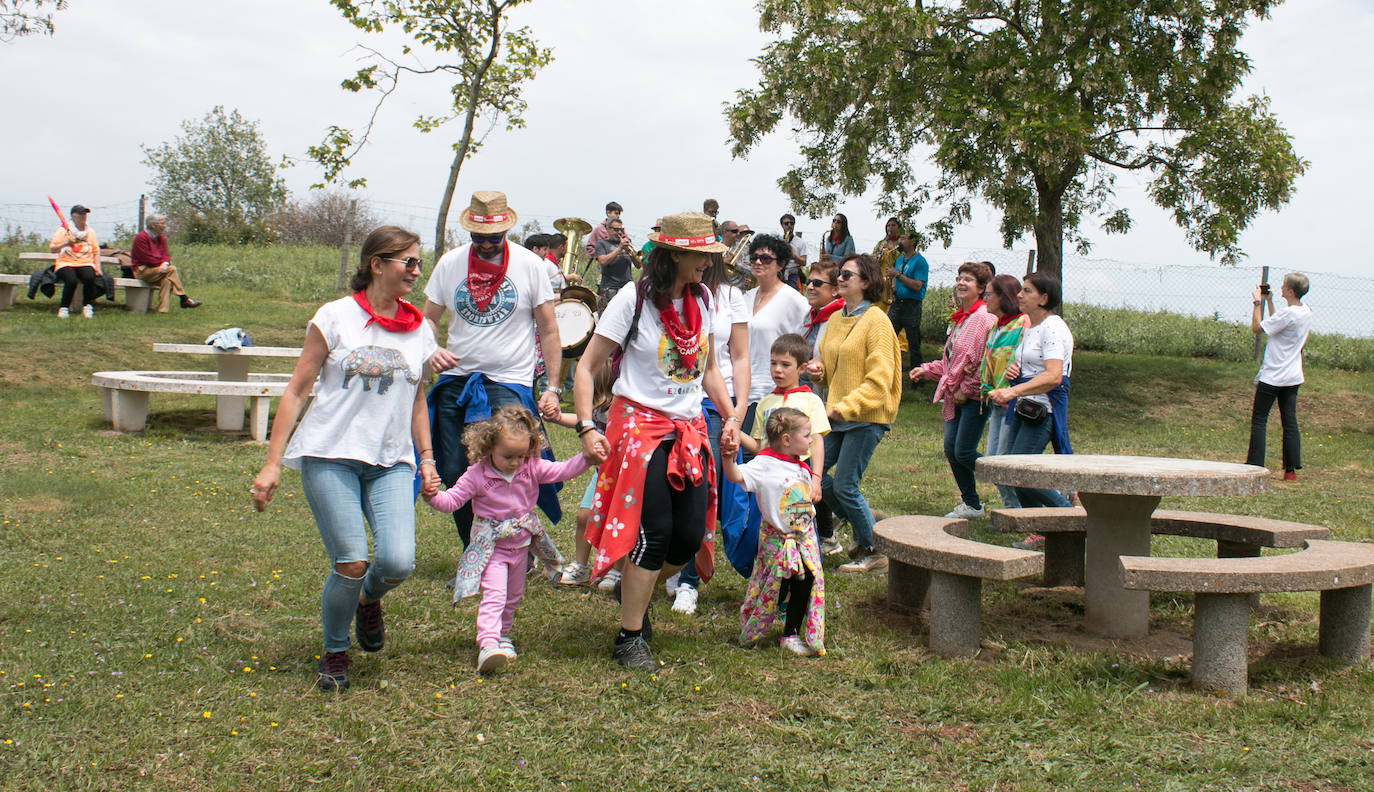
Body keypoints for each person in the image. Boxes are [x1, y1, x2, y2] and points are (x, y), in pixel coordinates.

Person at [250, 226, 438, 693]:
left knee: (397, 562)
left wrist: (427, 458)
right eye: (408, 262)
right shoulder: (335, 317)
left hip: (392, 459)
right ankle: (335, 651)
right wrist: (272, 463)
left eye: (418, 261)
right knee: (351, 562)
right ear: (377, 264)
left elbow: (417, 401)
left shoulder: (421, 328)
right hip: (329, 453)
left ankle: (367, 601)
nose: (416, 270)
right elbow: (296, 390)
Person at [573, 211, 738, 672]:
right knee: (656, 532)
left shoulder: (703, 299)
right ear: (674, 255)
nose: (708, 263)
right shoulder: (633, 298)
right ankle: (630, 636)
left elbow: (705, 370)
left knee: (686, 541)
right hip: (638, 429)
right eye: (701, 255)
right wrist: (587, 425)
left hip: (689, 429)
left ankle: (633, 596)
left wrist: (730, 415)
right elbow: (586, 368)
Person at [422, 191, 562, 549]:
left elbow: (548, 328)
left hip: (508, 381)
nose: (485, 244)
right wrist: (431, 349)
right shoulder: (450, 263)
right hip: (456, 379)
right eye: (478, 237)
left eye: (493, 238)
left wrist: (552, 387)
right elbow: (426, 321)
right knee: (455, 472)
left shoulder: (530, 264)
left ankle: (513, 548)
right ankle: (475, 551)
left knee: (510, 470)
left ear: (506, 230)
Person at [424, 407, 592, 673]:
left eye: (521, 456)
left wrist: (587, 458)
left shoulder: (530, 467)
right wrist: (432, 495)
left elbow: (563, 470)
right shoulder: (478, 474)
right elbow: (452, 500)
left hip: (521, 548)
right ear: (489, 446)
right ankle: (488, 644)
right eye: (508, 456)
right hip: (491, 549)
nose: (515, 462)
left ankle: (503, 635)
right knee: (495, 594)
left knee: (513, 596)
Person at [803, 253, 902, 573]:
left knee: (844, 484)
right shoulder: (836, 319)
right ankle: (865, 523)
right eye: (840, 274)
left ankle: (875, 552)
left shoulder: (877, 321)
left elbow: (880, 380)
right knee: (812, 473)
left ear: (866, 282)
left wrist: (846, 406)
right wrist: (820, 373)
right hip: (837, 415)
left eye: (848, 274)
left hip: (865, 415)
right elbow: (833, 369)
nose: (840, 279)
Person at [667, 250, 752, 614]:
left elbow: (739, 356)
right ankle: (665, 561)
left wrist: (737, 410)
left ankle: (688, 579)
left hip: (716, 403)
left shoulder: (729, 296)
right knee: (669, 484)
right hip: (671, 401)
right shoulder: (659, 292)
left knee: (701, 489)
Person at [722, 407, 826, 657]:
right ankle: (756, 624)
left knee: (806, 580)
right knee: (775, 585)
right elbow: (736, 475)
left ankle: (790, 633)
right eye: (806, 435)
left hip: (803, 538)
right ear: (787, 439)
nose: (811, 440)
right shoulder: (764, 464)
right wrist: (728, 457)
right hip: (777, 541)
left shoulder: (801, 467)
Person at [987, 272, 1075, 523]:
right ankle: (1038, 526)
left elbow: (1053, 376)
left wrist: (1013, 390)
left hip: (1043, 410)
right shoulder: (1031, 327)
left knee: (1021, 473)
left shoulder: (1053, 328)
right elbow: (1030, 367)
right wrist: (1016, 372)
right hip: (1024, 407)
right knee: (1012, 471)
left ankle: (1070, 517)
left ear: (1044, 298)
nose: (1019, 295)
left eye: (1027, 291)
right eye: (1021, 290)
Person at [911, 262, 996, 520]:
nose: (961, 282)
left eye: (968, 279)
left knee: (964, 452)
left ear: (981, 288)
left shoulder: (984, 319)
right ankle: (972, 504)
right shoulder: (963, 318)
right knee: (952, 449)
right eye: (960, 278)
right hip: (955, 396)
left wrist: (966, 388)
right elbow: (953, 362)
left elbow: (985, 360)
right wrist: (926, 369)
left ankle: (1010, 477)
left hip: (974, 398)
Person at [1246, 272, 1312, 480]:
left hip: (1273, 376)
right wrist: (1271, 301)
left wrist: (1257, 303)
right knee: (1289, 422)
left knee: (1259, 420)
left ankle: (1255, 465)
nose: (1281, 288)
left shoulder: (1288, 314)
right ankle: (1290, 470)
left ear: (1291, 291)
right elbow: (1277, 325)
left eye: (1284, 286)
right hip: (1292, 376)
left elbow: (1258, 328)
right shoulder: (1304, 312)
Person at [743, 234, 812, 426]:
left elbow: (806, 344)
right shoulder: (745, 298)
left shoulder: (794, 300)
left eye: (765, 258)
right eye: (754, 258)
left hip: (773, 390)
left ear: (780, 264)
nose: (758, 262)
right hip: (741, 390)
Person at [979, 273, 1030, 509]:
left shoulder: (1022, 323)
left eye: (989, 294)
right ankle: (1012, 509)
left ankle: (1018, 511)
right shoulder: (995, 327)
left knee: (1003, 461)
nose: (985, 298)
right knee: (992, 461)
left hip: (1013, 402)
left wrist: (1016, 371)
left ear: (1003, 296)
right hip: (995, 400)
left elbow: (1027, 357)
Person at [130, 214, 202, 312]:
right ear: (152, 225)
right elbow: (145, 258)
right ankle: (184, 298)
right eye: (162, 223)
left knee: (167, 280)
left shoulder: (161, 238)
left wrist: (164, 264)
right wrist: (162, 264)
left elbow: (165, 255)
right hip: (142, 271)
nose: (164, 225)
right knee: (172, 269)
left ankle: (162, 310)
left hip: (158, 270)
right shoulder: (140, 237)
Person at [48, 204, 101, 318]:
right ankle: (64, 308)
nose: (83, 216)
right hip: (65, 263)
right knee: (71, 280)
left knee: (89, 277)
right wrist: (66, 243)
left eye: (85, 214)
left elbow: (96, 252)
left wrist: (97, 267)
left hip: (85, 262)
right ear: (73, 216)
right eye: (80, 214)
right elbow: (52, 249)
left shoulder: (90, 232)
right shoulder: (63, 231)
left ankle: (87, 306)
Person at [888, 228, 928, 373]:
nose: (900, 241)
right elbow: (895, 279)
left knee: (913, 343)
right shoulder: (899, 260)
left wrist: (897, 275)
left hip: (912, 305)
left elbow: (917, 285)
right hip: (897, 303)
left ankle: (917, 376)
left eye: (904, 238)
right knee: (887, 336)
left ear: (912, 242)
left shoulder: (920, 261)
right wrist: (893, 286)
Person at [592, 216, 638, 310]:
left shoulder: (627, 243)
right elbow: (603, 261)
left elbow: (638, 265)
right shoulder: (602, 244)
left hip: (626, 289)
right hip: (609, 289)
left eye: (621, 230)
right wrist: (619, 248)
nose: (620, 232)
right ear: (608, 229)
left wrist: (633, 254)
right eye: (616, 230)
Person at [779, 213, 808, 289]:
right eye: (786, 223)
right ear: (782, 225)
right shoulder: (778, 240)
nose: (789, 225)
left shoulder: (800, 242)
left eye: (791, 223)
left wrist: (793, 257)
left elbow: (804, 262)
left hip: (792, 274)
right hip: (778, 273)